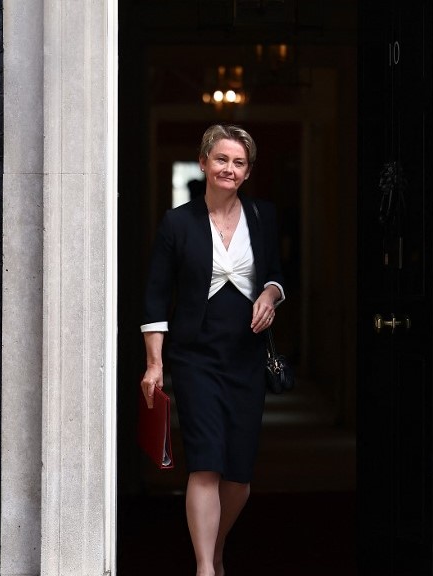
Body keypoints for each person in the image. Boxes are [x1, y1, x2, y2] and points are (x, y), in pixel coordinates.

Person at [140, 124, 286, 576]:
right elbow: (155, 295)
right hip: (195, 355)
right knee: (205, 463)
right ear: (203, 163)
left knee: (239, 475)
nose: (229, 168)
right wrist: (154, 364)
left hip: (245, 354)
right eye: (221, 159)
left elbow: (278, 276)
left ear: (247, 171)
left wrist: (271, 295)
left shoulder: (262, 217)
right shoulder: (178, 222)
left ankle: (217, 546)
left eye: (239, 162)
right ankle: (205, 568)